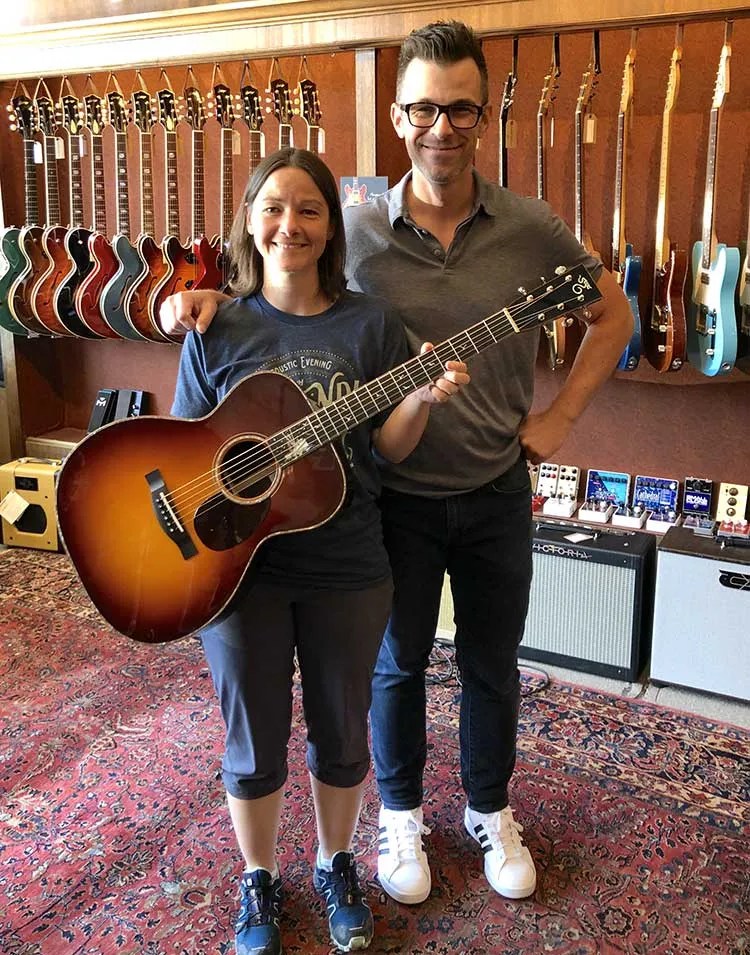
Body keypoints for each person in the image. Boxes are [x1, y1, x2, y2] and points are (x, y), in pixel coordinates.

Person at [160, 20, 633, 911]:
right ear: (398, 115)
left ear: (484, 115)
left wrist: (560, 416)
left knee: (493, 664)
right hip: (387, 496)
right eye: (423, 109)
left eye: (460, 109)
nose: (440, 127)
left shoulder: (532, 228)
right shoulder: (356, 224)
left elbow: (614, 314)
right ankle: (401, 814)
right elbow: (288, 284)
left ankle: (489, 809)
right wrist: (205, 303)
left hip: (495, 485)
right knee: (395, 667)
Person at [170, 146, 469, 955]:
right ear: (249, 221)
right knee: (253, 737)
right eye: (273, 206)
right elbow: (185, 452)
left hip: (348, 562)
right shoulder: (216, 325)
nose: (289, 224)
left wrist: (418, 395)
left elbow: (390, 449)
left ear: (331, 226)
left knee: (341, 731)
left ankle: (336, 862)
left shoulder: (371, 325)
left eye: (308, 208)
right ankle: (259, 876)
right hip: (240, 572)